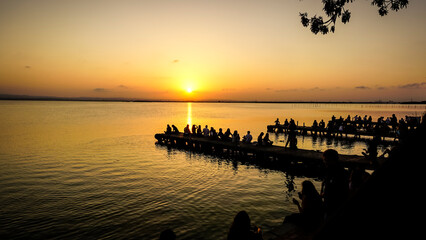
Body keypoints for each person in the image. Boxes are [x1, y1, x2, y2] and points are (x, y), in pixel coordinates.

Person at [321, 149, 349, 219]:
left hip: (335, 206)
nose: (325, 162)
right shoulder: (329, 171)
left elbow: (340, 191)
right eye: (324, 160)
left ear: (334, 160)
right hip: (328, 204)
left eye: (327, 160)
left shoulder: (341, 173)